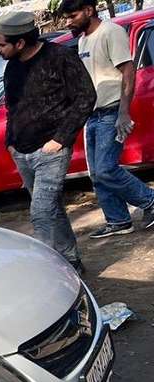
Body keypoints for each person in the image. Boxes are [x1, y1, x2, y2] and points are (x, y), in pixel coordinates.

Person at [0, 11, 96, 272]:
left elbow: (86, 97)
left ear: (20, 43)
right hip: (22, 152)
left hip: (51, 151)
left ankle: (47, 273)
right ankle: (71, 259)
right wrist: (10, 141)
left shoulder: (60, 58)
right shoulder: (12, 66)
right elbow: (12, 107)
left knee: (41, 213)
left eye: (1, 44)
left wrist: (60, 139)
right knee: (52, 208)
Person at [60, 0, 154, 238]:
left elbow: (128, 70)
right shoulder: (82, 40)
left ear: (89, 11)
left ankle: (150, 201)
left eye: (73, 16)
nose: (68, 22)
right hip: (92, 114)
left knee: (105, 169)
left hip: (111, 111)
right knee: (97, 175)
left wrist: (123, 112)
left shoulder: (110, 31)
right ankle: (118, 220)